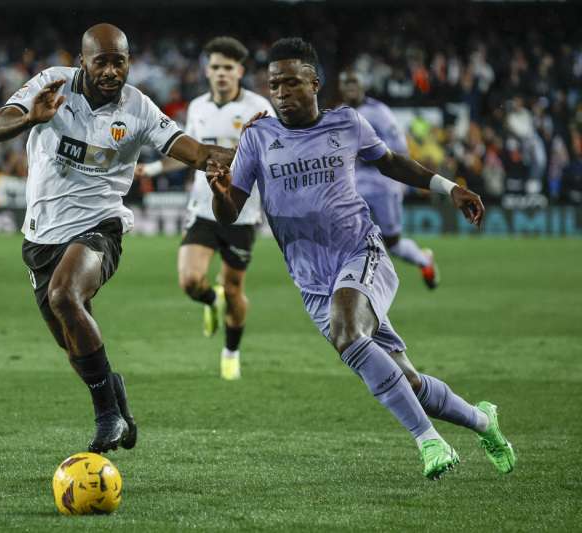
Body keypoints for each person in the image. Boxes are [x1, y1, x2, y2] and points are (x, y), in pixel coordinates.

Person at [206, 38, 515, 479]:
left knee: (348, 332)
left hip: (361, 252)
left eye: (291, 83)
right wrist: (219, 196)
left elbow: (391, 163)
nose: (281, 93)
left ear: (315, 83)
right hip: (311, 281)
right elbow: (229, 209)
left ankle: (429, 442)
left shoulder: (347, 123)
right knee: (407, 381)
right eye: (274, 85)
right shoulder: (257, 137)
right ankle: (484, 422)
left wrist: (451, 188)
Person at [0, 23, 234, 454]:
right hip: (42, 236)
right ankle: (114, 394)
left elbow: (190, 150)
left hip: (100, 227)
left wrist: (242, 154)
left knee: (66, 296)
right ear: (83, 61)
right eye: (102, 61)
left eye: (120, 61)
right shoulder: (52, 83)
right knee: (73, 345)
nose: (111, 71)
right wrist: (31, 118)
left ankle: (106, 418)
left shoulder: (137, 108)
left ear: (128, 62)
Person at [136, 37, 275, 380]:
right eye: (215, 67)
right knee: (189, 280)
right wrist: (152, 169)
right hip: (202, 206)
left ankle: (231, 351)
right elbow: (189, 154)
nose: (221, 73)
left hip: (242, 210)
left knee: (234, 289)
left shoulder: (260, 108)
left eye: (228, 67)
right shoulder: (197, 107)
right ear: (207, 70)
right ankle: (211, 302)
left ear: (240, 71)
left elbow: (272, 159)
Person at [338, 70, 439, 288]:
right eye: (346, 83)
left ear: (363, 85)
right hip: (354, 184)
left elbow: (399, 148)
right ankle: (354, 282)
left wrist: (371, 153)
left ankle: (424, 259)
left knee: (393, 242)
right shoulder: (339, 113)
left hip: (383, 182)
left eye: (354, 81)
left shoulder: (379, 112)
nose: (350, 87)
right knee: (345, 234)